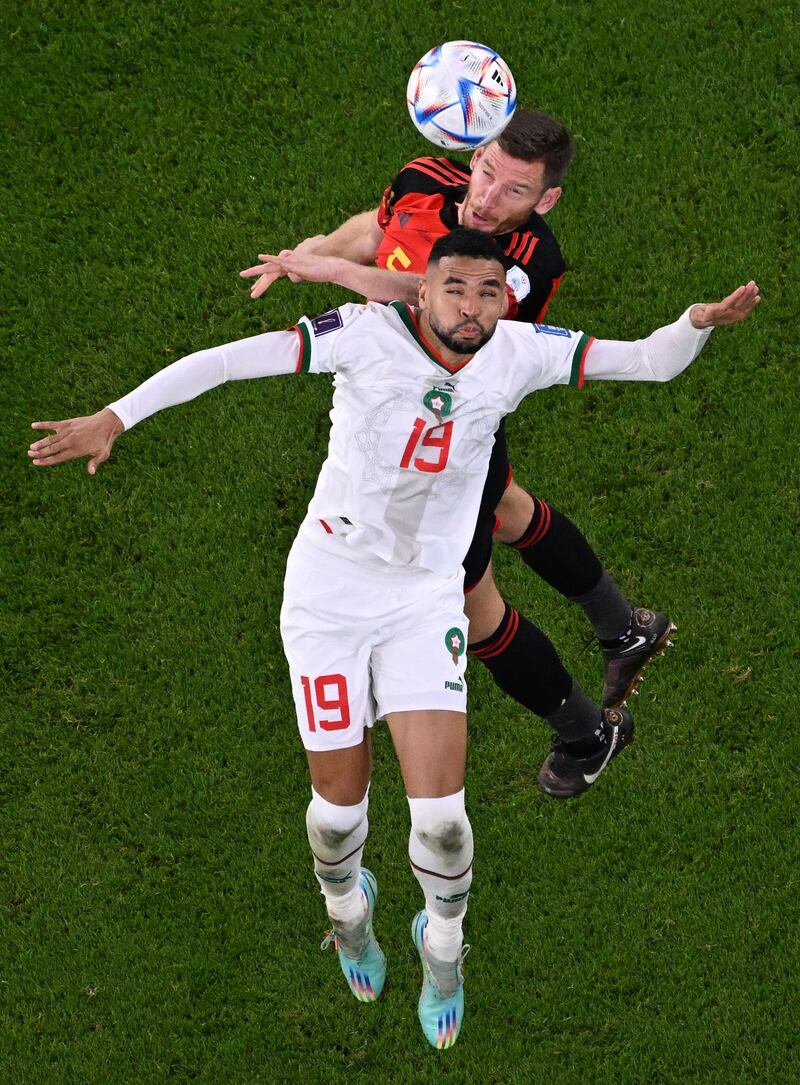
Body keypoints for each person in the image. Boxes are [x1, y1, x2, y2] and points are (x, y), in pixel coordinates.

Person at [28, 228, 759, 1048]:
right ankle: (349, 914)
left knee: (442, 819)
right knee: (337, 820)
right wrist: (115, 417)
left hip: (423, 600)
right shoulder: (362, 334)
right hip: (329, 595)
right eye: (456, 289)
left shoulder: (519, 351)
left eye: (489, 291)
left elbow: (649, 361)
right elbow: (229, 359)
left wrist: (697, 321)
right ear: (420, 291)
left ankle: (442, 953)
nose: (473, 307)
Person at [240, 110, 677, 780]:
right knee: (509, 508)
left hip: (448, 445)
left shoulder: (527, 264)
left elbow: (431, 311)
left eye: (513, 191)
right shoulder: (424, 178)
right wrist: (319, 248)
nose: (486, 195)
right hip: (411, 423)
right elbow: (378, 227)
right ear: (473, 154)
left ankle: (587, 734)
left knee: (475, 610)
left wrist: (329, 271)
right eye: (487, 170)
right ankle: (624, 628)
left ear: (545, 201)